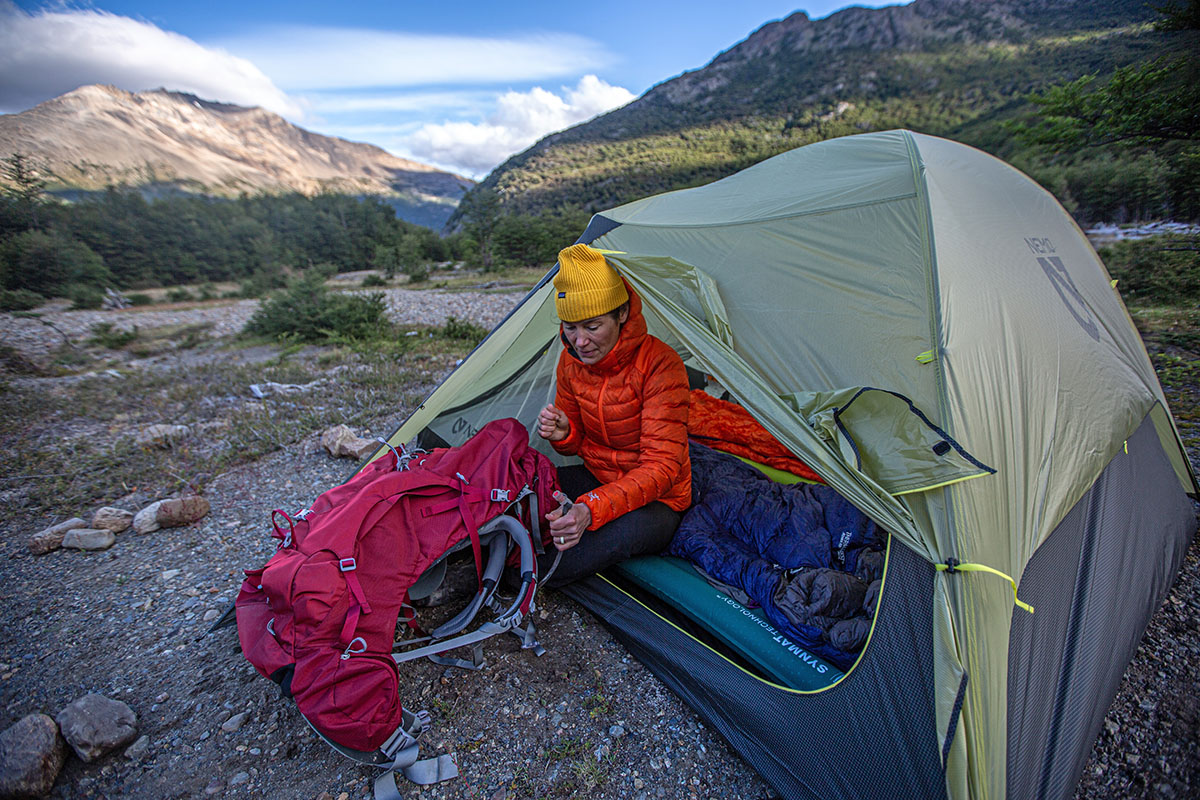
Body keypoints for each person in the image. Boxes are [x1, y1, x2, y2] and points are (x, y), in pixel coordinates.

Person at [536, 243, 691, 584]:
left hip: (658, 501)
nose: (580, 341)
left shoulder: (661, 364)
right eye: (570, 327)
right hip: (599, 476)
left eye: (592, 326)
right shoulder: (570, 362)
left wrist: (589, 509)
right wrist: (565, 434)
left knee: (560, 560)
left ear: (622, 314)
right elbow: (577, 444)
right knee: (527, 495)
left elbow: (663, 468)